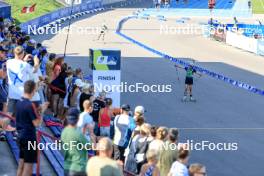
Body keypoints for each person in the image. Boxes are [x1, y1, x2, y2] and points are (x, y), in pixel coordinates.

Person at [16, 80, 48, 176]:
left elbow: (26, 116)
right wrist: (42, 112)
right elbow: (37, 123)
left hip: (20, 136)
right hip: (29, 138)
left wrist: (38, 110)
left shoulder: (19, 102)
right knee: (28, 168)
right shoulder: (30, 105)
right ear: (33, 91)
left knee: (21, 165)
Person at [6, 46, 39, 116]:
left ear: (14, 53)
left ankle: (4, 127)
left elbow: (17, 66)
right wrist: (36, 62)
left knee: (8, 115)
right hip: (21, 95)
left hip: (11, 93)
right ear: (23, 53)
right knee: (20, 116)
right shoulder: (25, 65)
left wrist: (23, 60)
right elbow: (34, 71)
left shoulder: (8, 62)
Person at [61, 108, 90, 176]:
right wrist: (91, 133)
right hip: (79, 168)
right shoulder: (78, 133)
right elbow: (88, 146)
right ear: (78, 119)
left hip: (67, 167)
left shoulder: (64, 132)